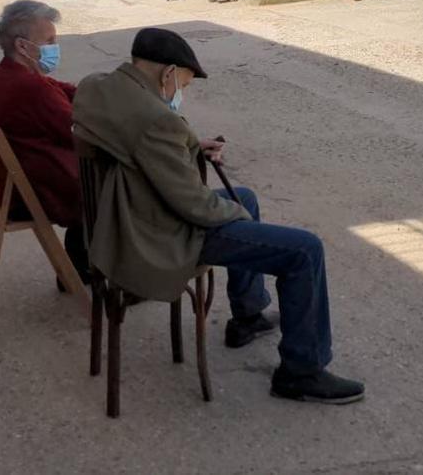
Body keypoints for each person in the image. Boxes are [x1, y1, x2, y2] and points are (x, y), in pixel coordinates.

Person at [73, 28, 365, 404]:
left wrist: (190, 143)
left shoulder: (97, 87)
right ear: (168, 73)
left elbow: (147, 138)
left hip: (128, 209)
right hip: (159, 231)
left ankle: (249, 314)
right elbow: (193, 204)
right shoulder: (156, 121)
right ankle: (301, 371)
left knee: (244, 195)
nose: (182, 92)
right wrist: (236, 215)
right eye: (185, 83)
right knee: (304, 250)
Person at [0, 1, 89, 282]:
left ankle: (81, 266)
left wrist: (101, 91)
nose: (54, 47)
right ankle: (92, 270)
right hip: (33, 191)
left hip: (14, 184)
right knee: (123, 181)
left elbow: (62, 90)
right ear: (22, 46)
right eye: (49, 41)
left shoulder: (7, 73)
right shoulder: (27, 86)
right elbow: (78, 131)